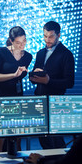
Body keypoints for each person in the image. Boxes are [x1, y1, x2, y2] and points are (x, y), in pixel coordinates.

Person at [30, 21, 75, 149]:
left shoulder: (66, 55)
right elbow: (35, 78)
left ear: (58, 35)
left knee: (56, 140)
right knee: (43, 139)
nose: (47, 40)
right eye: (45, 36)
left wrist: (49, 81)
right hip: (39, 101)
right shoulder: (40, 53)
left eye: (50, 36)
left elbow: (70, 82)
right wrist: (34, 77)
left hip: (56, 103)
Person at [0, 26, 32, 152]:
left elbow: (22, 76)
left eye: (24, 41)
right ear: (11, 41)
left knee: (17, 138)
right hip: (0, 97)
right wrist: (14, 75)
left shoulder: (28, 56)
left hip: (17, 98)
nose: (22, 45)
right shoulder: (1, 52)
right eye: (18, 42)